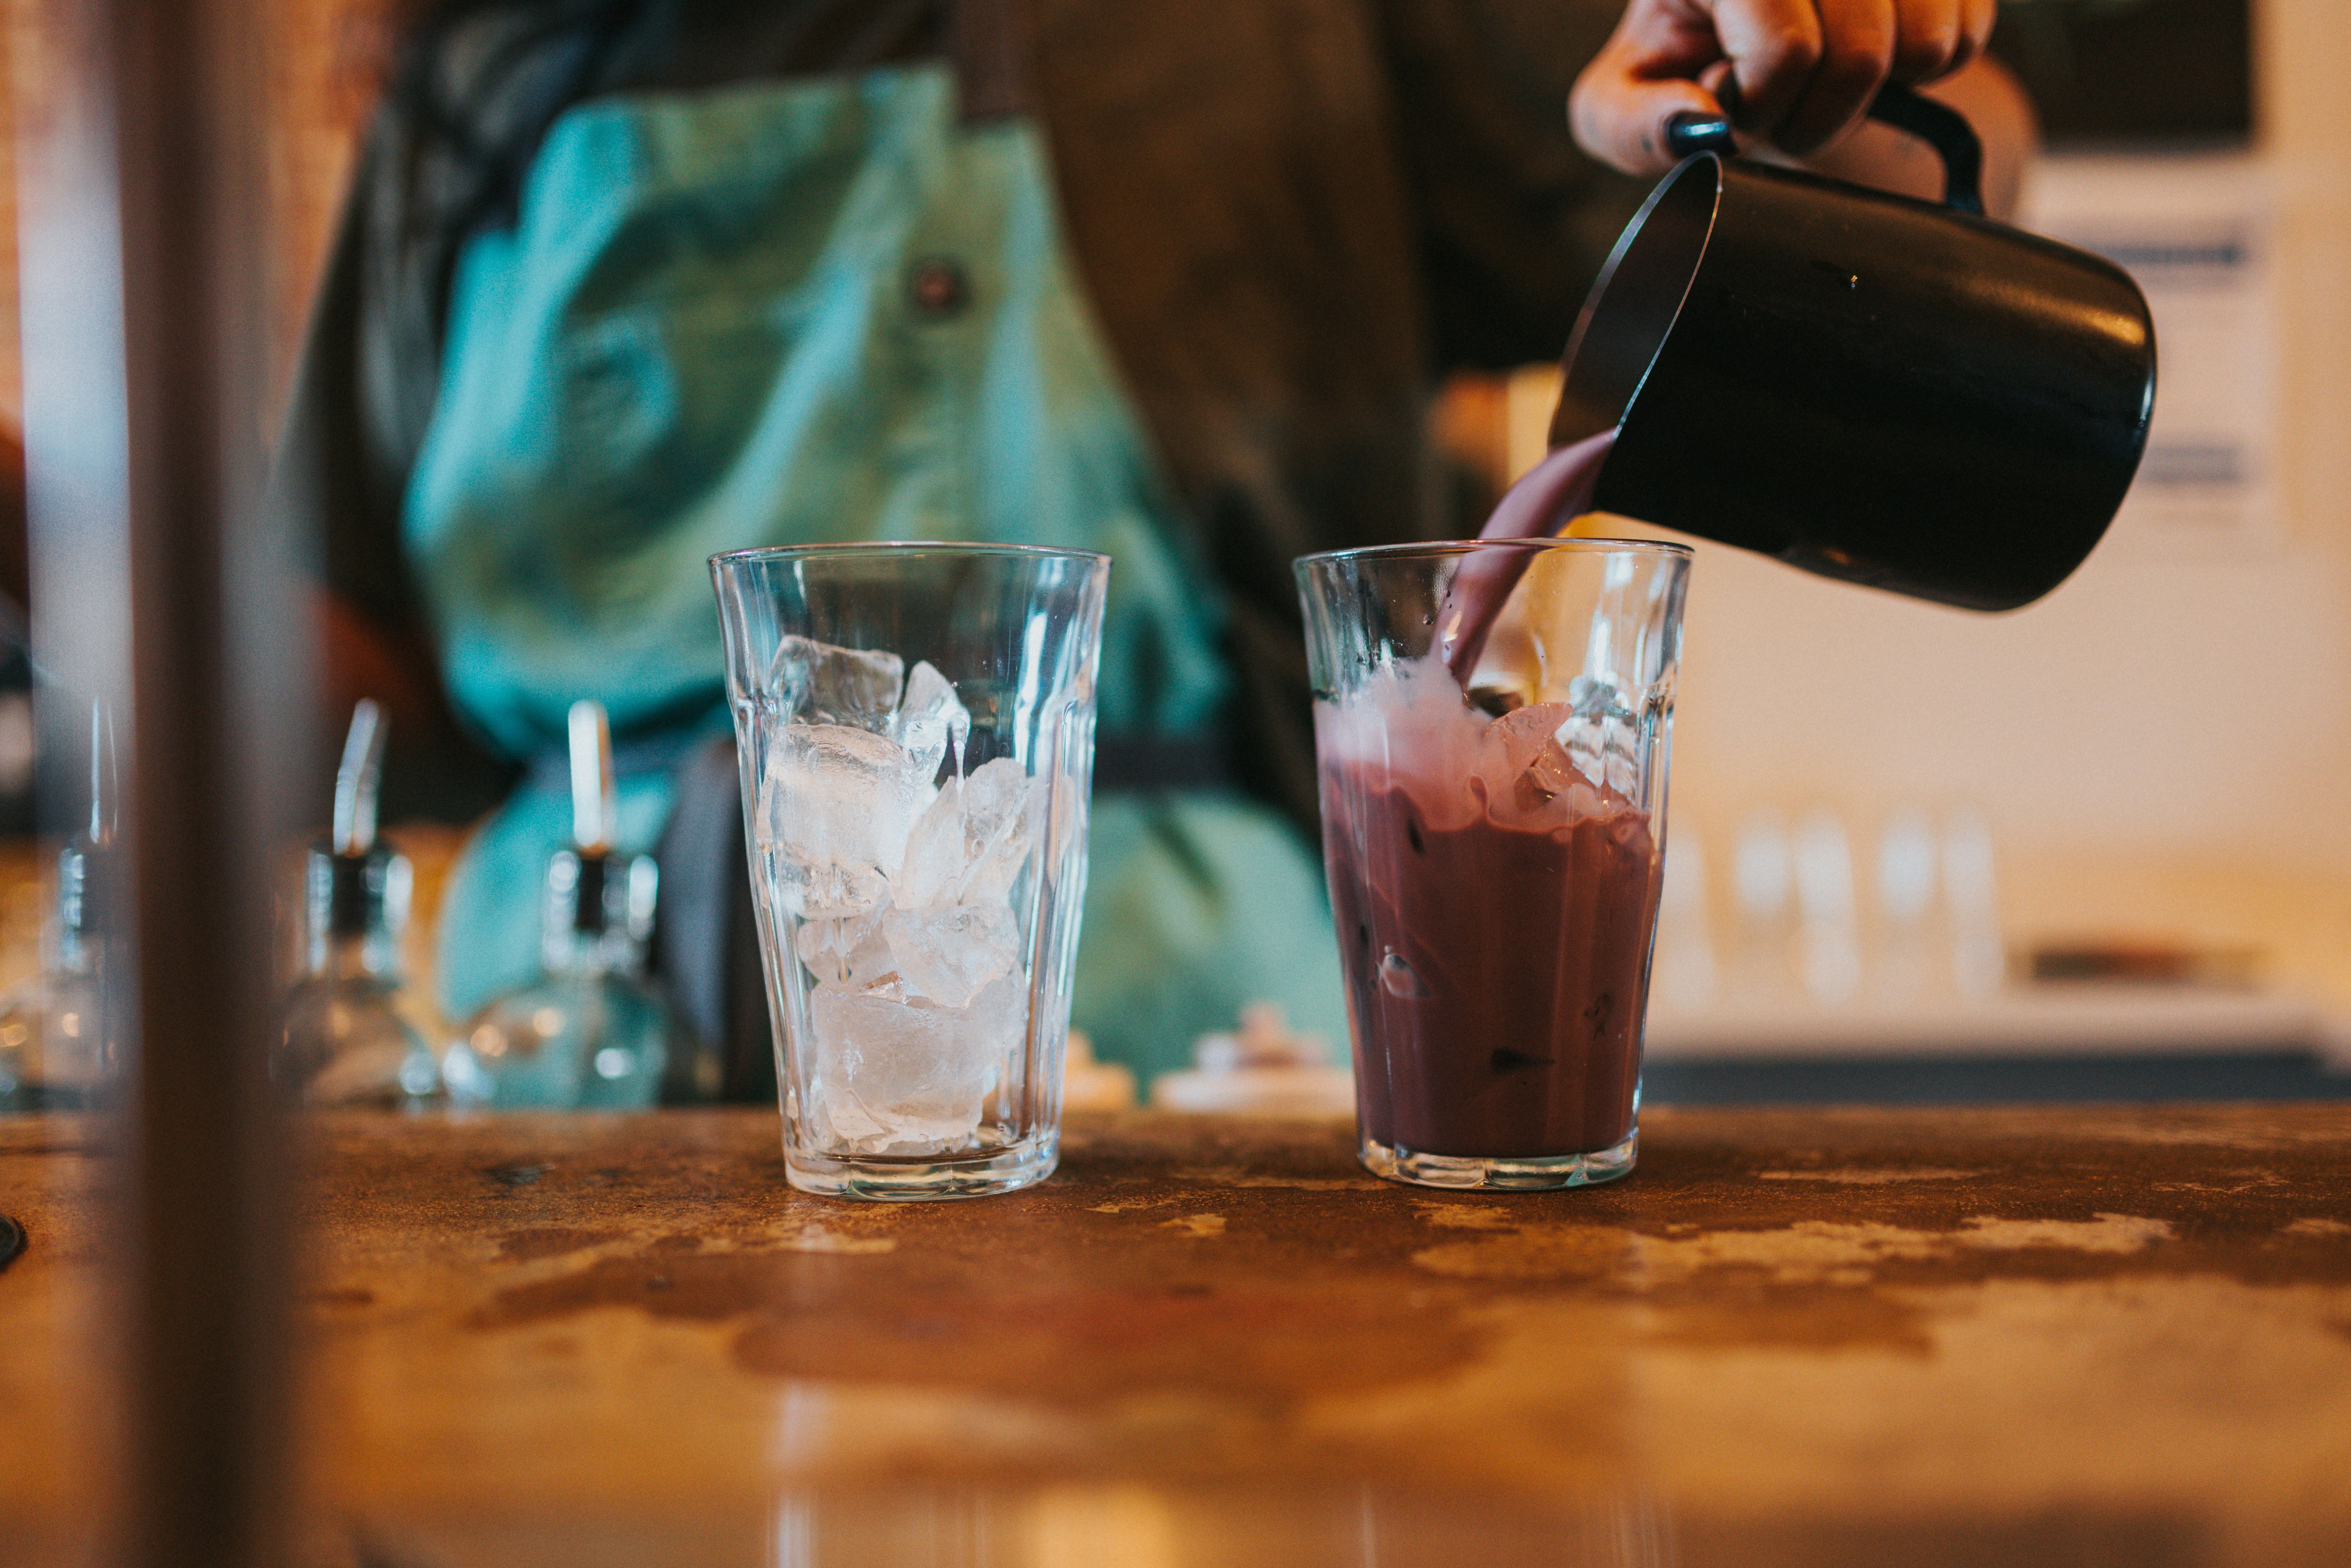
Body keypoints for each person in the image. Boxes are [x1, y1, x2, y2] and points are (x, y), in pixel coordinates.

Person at [272, 0, 2029, 1093]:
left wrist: (1819, 53)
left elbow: (1886, 189)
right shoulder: (478, 71)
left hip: (1183, 1040)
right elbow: (345, 655)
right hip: (571, 1060)